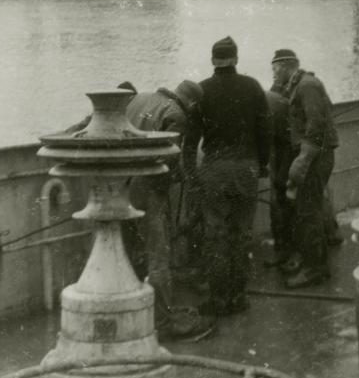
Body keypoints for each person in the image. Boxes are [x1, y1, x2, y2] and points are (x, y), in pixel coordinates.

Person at [122, 80, 214, 343]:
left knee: (129, 254)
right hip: (148, 191)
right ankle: (162, 323)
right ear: (193, 104)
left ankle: (132, 312)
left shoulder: (138, 98)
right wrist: (179, 179)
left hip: (120, 188)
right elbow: (169, 160)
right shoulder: (176, 115)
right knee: (159, 257)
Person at [189, 36, 270, 319]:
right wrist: (264, 166)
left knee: (215, 236)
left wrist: (189, 171)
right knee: (241, 234)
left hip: (214, 170)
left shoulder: (201, 91)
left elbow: (191, 138)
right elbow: (264, 131)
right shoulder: (253, 87)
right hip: (247, 169)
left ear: (213, 61)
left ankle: (218, 300)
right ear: (236, 59)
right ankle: (239, 296)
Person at [270, 49, 342, 289]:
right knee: (307, 210)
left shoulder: (306, 86)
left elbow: (317, 125)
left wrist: (301, 162)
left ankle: (314, 270)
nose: (273, 73)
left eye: (275, 68)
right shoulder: (301, 85)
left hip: (315, 157)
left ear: (285, 67)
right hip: (315, 155)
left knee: (307, 213)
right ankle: (314, 263)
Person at [263, 81, 294, 269]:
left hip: (286, 157)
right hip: (280, 155)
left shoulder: (271, 106)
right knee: (280, 205)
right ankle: (285, 251)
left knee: (282, 205)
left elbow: (287, 143)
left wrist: (281, 176)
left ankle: (286, 252)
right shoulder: (274, 101)